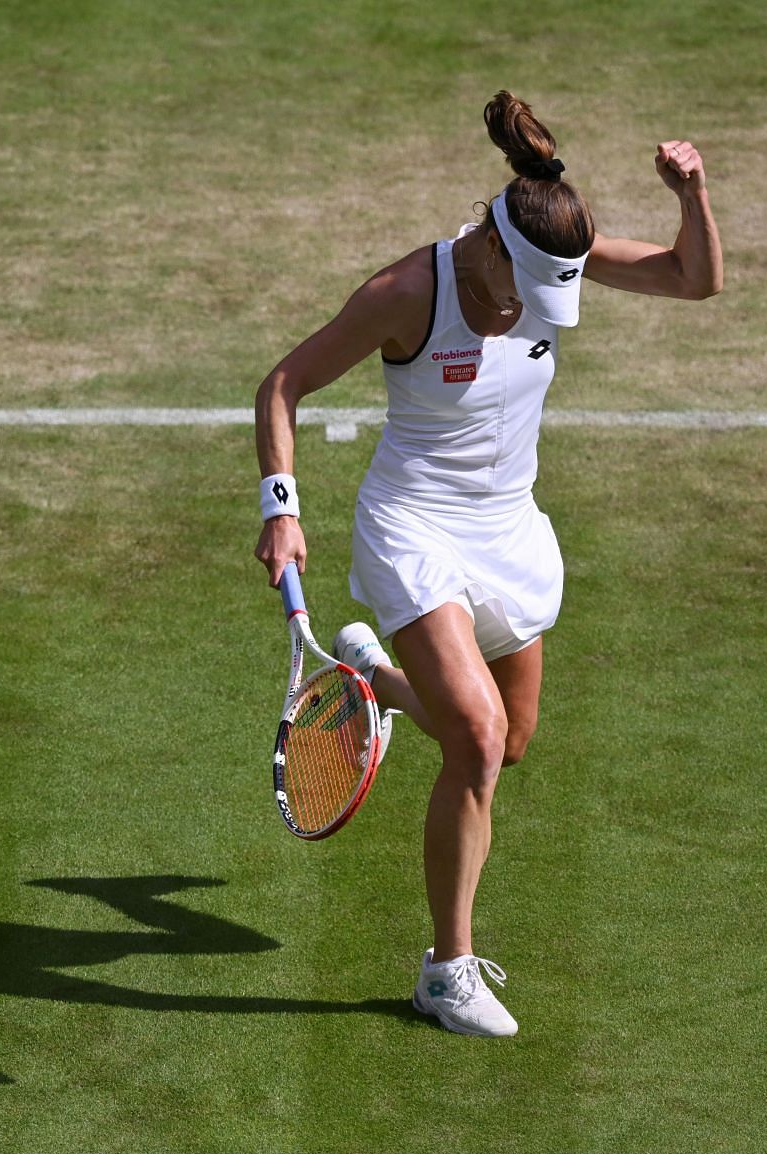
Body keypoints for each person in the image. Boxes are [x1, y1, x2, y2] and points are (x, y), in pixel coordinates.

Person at [252, 91, 723, 1037]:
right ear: (497, 245)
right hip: (414, 527)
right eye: (526, 291)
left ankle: (375, 684)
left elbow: (692, 279)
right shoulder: (405, 293)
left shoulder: (552, 262)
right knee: (473, 738)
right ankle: (446, 969)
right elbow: (285, 383)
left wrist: (693, 195)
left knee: (507, 743)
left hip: (510, 529)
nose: (529, 314)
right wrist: (283, 508)